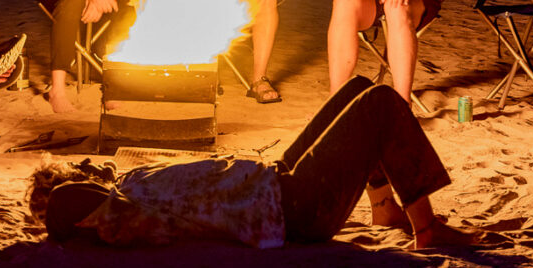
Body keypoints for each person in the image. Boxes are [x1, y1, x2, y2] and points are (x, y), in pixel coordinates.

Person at [28, 75, 481, 249]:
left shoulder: (125, 189)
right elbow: (68, 201)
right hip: (295, 207)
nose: (83, 168)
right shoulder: (110, 207)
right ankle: (426, 228)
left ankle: (383, 208)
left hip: (278, 182)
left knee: (360, 87)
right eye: (72, 173)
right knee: (381, 103)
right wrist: (54, 189)